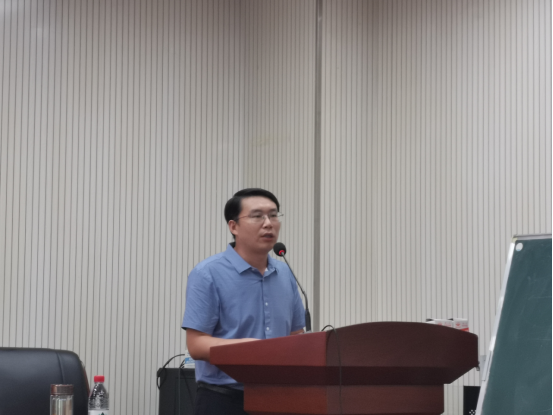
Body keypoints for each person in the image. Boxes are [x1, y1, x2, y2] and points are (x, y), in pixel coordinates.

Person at [182, 188, 306, 415]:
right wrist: (249, 349)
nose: (268, 223)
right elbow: (196, 344)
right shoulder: (208, 273)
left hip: (280, 397)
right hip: (224, 400)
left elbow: (296, 334)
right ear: (234, 227)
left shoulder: (285, 273)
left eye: (273, 215)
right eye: (257, 216)